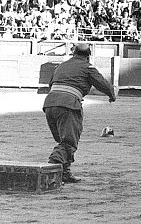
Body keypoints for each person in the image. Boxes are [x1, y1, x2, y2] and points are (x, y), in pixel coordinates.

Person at [43, 43, 117, 184]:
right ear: (88, 56)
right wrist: (111, 95)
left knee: (63, 141)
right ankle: (52, 168)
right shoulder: (87, 67)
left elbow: (50, 84)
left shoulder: (61, 66)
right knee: (68, 142)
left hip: (49, 104)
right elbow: (102, 83)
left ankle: (65, 172)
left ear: (73, 53)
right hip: (69, 104)